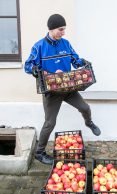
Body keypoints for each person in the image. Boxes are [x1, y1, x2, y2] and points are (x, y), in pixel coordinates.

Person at [24, 14, 101, 165]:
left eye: (64, 29)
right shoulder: (39, 46)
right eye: (61, 29)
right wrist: (41, 71)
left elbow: (75, 59)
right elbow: (28, 65)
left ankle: (89, 123)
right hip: (52, 91)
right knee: (50, 123)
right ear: (52, 29)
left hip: (69, 87)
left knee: (85, 107)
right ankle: (39, 152)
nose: (63, 32)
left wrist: (82, 63)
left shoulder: (65, 43)